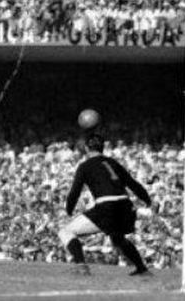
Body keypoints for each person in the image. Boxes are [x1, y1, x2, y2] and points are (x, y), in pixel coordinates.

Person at [58, 110, 153, 276]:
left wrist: (68, 209)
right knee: (117, 238)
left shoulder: (85, 165)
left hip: (107, 206)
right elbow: (132, 183)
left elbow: (75, 191)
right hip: (125, 206)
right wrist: (147, 200)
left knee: (66, 231)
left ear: (87, 148)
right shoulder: (113, 163)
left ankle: (81, 266)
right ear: (102, 147)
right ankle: (142, 268)